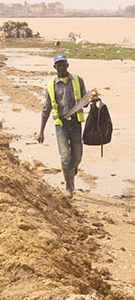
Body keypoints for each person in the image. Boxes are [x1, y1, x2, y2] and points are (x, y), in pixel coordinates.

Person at [38, 54, 94, 198]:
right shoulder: (51, 86)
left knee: (77, 156)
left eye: (64, 64)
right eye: (59, 65)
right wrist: (41, 132)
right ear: (54, 67)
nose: (61, 67)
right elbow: (46, 109)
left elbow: (84, 101)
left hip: (76, 124)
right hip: (61, 125)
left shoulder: (78, 80)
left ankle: (73, 168)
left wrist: (91, 99)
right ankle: (69, 187)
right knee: (65, 157)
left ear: (67, 65)